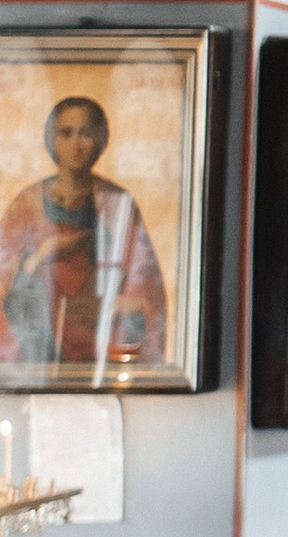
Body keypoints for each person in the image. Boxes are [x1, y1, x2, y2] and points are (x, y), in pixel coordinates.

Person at [0, 92, 167, 376]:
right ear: (52, 140)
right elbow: (5, 281)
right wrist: (43, 255)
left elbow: (144, 284)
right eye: (66, 133)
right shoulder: (27, 204)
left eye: (85, 133)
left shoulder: (117, 202)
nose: (76, 144)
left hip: (99, 338)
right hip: (38, 344)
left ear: (100, 140)